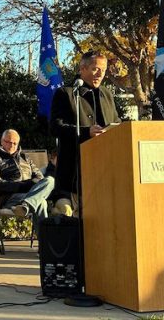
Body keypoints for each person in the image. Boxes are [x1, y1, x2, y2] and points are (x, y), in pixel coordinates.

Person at [49, 51, 120, 215]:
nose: (101, 74)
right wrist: (86, 132)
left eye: (103, 69)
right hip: (75, 171)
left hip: (104, 170)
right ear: (82, 68)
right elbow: (55, 127)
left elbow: (117, 122)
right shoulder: (66, 94)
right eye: (96, 69)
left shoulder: (107, 94)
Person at [0, 129, 54, 233]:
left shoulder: (24, 157)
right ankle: (45, 245)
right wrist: (21, 186)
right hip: (9, 198)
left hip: (29, 194)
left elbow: (39, 177)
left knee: (50, 180)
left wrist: (30, 185)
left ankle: (26, 205)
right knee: (42, 203)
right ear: (2, 141)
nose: (11, 145)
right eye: (8, 142)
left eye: (14, 143)